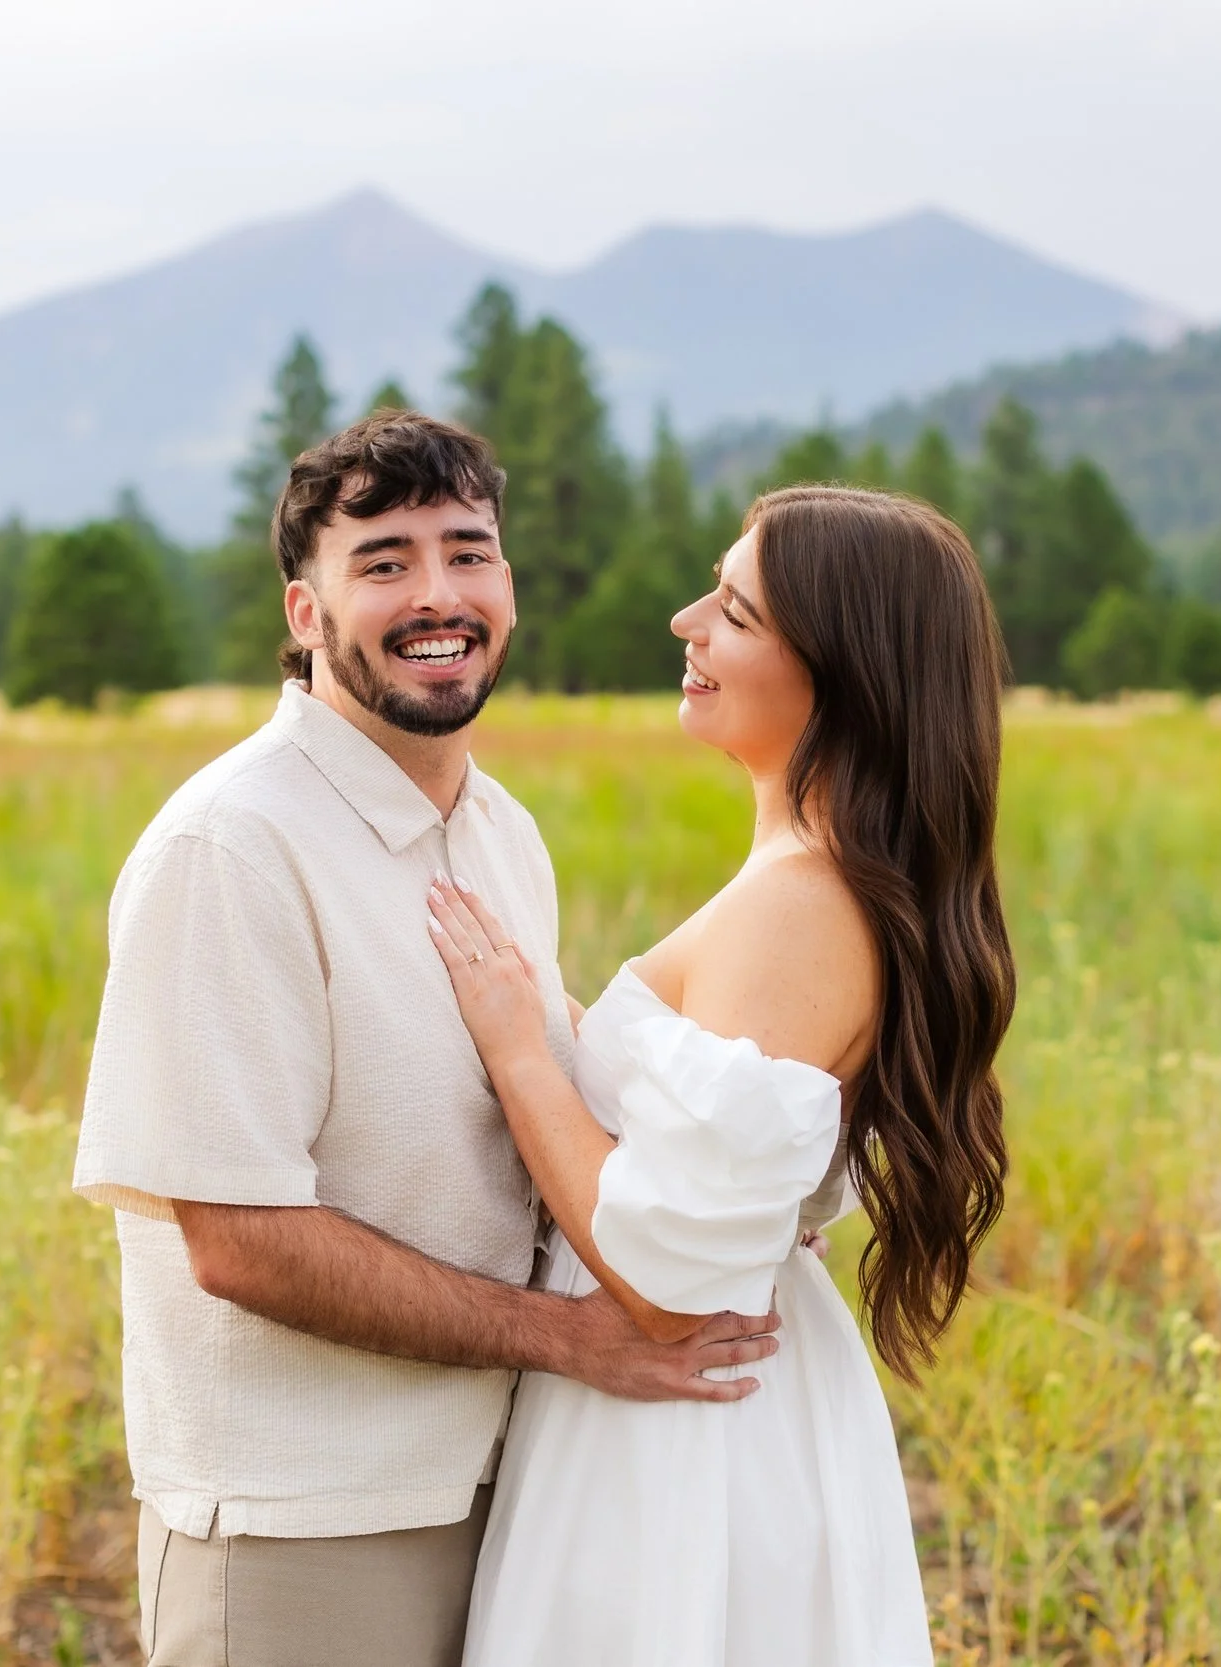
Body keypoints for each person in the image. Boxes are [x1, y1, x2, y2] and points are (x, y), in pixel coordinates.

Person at [69, 410, 784, 1667]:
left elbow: (535, 1123)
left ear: (507, 585)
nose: (437, 594)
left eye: (468, 551)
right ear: (305, 614)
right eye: (385, 561)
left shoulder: (502, 830)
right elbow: (238, 1240)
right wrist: (567, 1339)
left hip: (508, 1491)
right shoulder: (230, 848)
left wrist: (742, 1190)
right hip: (307, 1528)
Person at [428, 485, 1016, 1665]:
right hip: (716, 1411)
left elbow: (668, 1278)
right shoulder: (816, 877)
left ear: (839, 672)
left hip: (680, 1443)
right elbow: (720, 1154)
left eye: (735, 612)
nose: (686, 621)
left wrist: (514, 1045)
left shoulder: (799, 903)